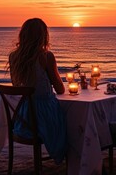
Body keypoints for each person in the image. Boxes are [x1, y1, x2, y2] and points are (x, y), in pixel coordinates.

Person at [7, 18, 67, 164]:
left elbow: (17, 86)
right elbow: (60, 89)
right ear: (43, 36)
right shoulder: (46, 56)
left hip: (24, 118)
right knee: (71, 118)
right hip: (43, 117)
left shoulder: (14, 56)